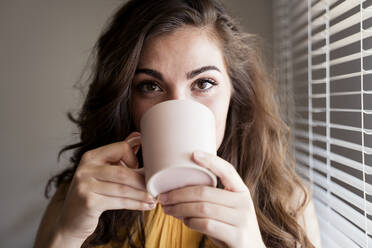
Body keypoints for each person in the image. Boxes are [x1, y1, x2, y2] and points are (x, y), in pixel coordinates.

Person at [34, 0, 321, 247]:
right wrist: (67, 235)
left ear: (236, 92)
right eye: (149, 86)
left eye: (204, 83)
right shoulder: (81, 196)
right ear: (125, 99)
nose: (177, 104)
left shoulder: (286, 203)